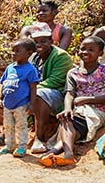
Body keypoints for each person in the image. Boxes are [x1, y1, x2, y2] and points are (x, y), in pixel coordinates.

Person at [40, 36, 105, 167]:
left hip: (98, 110)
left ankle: (61, 152)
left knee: (75, 121)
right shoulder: (73, 73)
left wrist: (86, 99)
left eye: (91, 49)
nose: (85, 52)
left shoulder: (103, 71)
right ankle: (63, 152)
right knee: (67, 118)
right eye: (82, 49)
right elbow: (69, 94)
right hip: (78, 109)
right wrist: (67, 108)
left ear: (101, 54)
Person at [28, 22, 76, 154]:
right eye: (36, 41)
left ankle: (40, 138)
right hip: (37, 91)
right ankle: (6, 136)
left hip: (58, 96)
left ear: (51, 40)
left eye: (43, 41)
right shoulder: (33, 56)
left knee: (39, 94)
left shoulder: (61, 56)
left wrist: (29, 91)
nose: (39, 44)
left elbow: (55, 81)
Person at [0, 39, 41, 158]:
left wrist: (32, 104)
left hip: (21, 104)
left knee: (21, 125)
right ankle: (9, 145)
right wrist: (1, 97)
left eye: (17, 51)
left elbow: (33, 88)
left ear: (28, 53)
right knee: (8, 125)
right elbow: (5, 83)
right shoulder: (10, 67)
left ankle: (22, 147)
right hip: (8, 103)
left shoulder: (30, 69)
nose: (13, 54)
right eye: (12, 51)